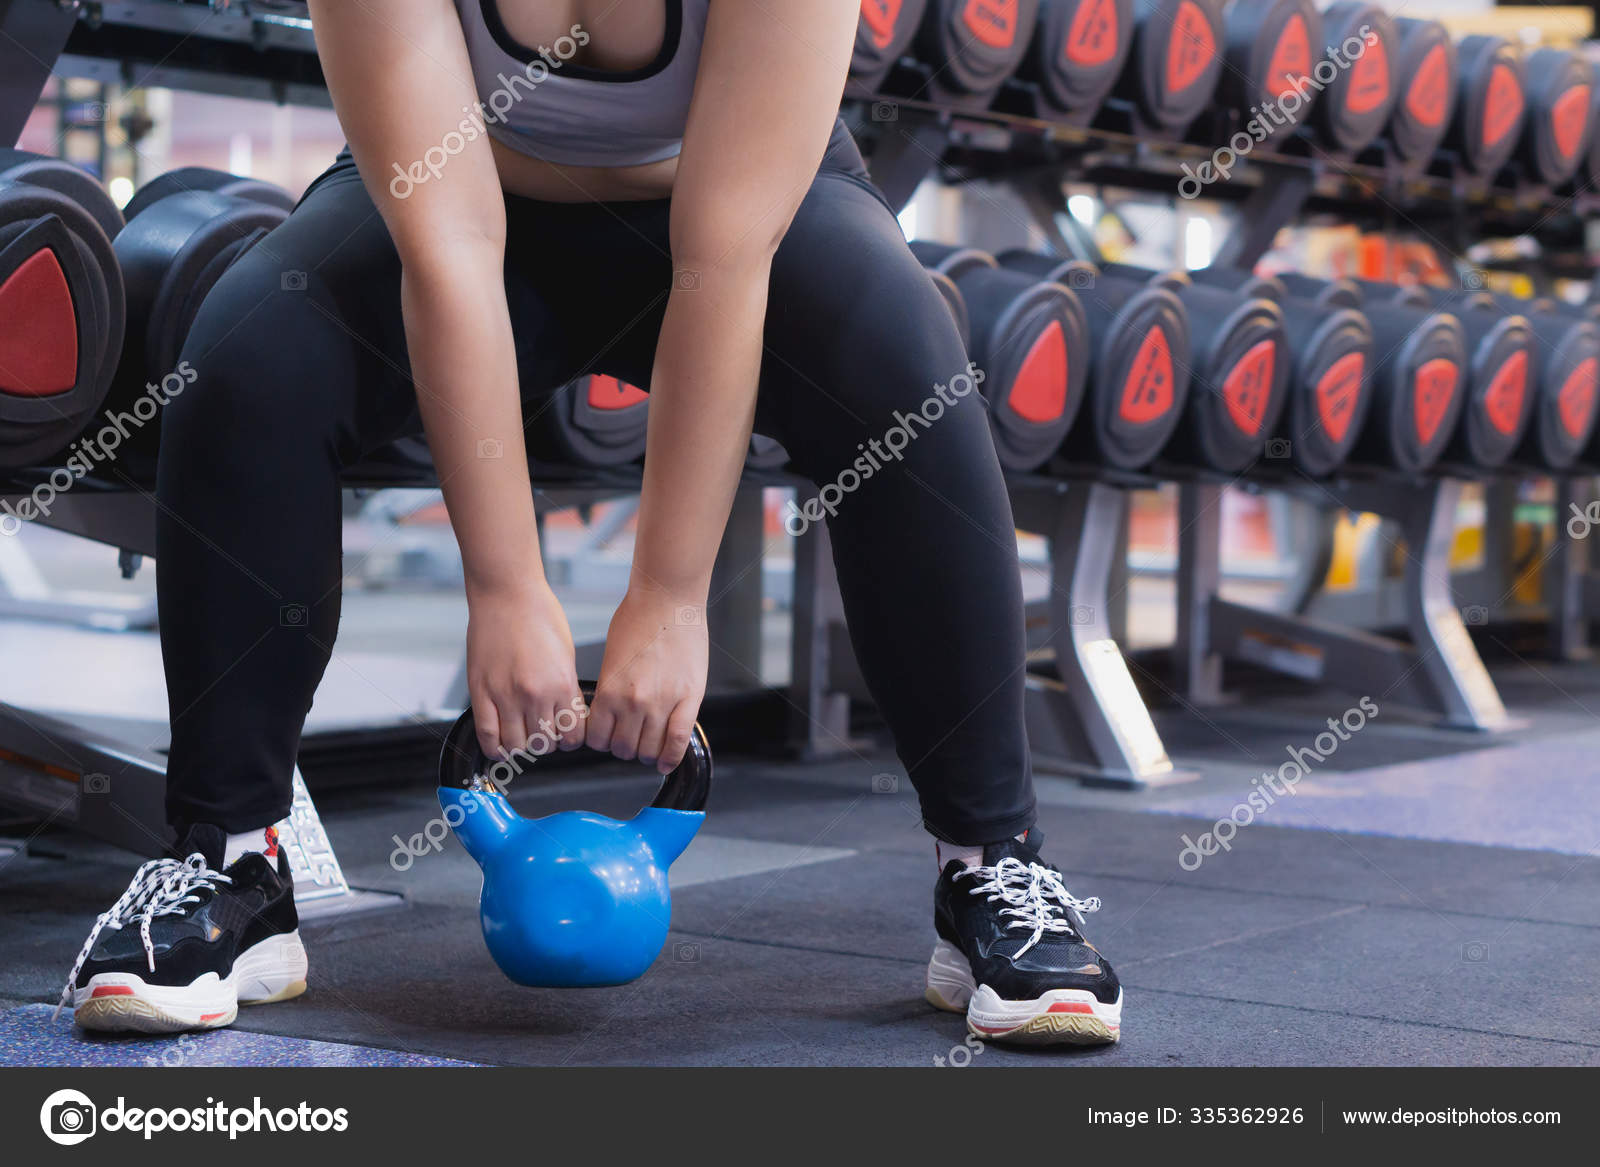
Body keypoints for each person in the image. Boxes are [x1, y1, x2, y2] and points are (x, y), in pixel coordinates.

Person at [58, 0, 1121, 1046]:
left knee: (908, 367)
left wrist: (668, 596)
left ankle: (990, 861)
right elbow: (451, 245)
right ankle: (232, 860)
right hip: (466, 205)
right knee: (247, 360)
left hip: (734, 221)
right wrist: (505, 586)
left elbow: (723, 256)